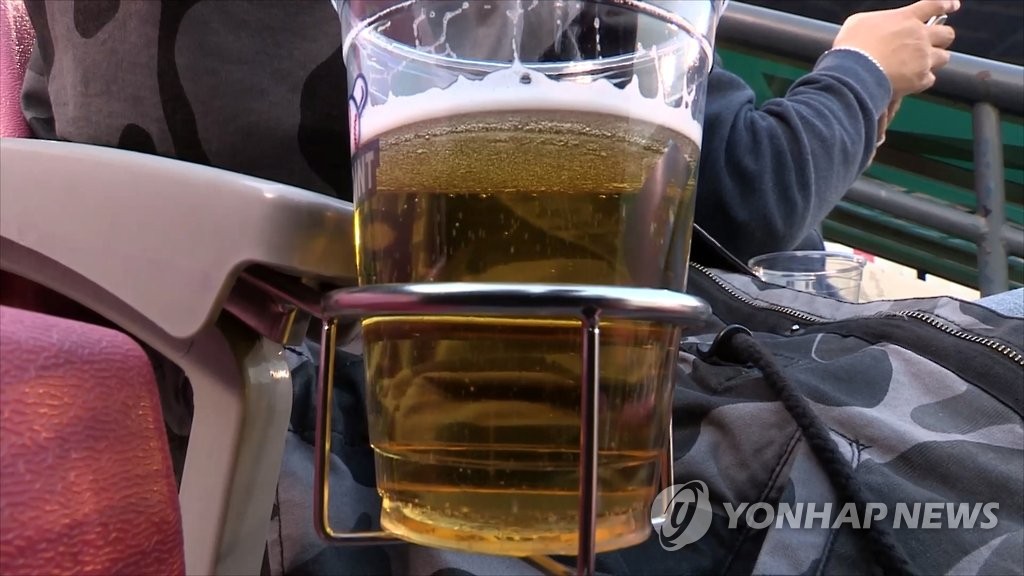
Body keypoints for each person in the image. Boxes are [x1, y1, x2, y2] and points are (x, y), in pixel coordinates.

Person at [18, 0, 958, 264]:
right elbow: (744, 200)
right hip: (377, 437)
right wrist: (861, 71)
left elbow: (47, 130)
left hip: (160, 416)